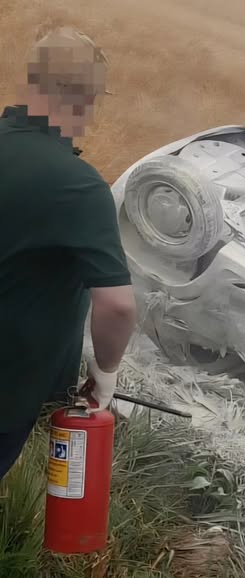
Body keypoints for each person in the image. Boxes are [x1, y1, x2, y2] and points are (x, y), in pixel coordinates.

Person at [0, 27, 137, 480]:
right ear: (87, 101)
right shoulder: (78, 186)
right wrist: (105, 373)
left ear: (31, 80)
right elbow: (117, 306)